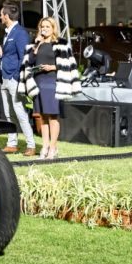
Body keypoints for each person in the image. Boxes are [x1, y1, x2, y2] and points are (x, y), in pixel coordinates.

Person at [21, 16, 81, 159]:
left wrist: (52, 66)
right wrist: (35, 48)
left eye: (48, 26)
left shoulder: (61, 44)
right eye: (42, 27)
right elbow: (28, 63)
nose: (44, 29)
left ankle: (53, 147)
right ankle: (45, 146)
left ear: (53, 28)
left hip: (53, 82)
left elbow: (69, 64)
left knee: (53, 116)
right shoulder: (34, 44)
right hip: (39, 82)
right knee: (42, 117)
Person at [0, 3, 36, 155]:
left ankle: (31, 145)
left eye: (1, 14)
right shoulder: (8, 32)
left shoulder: (20, 33)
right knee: (8, 113)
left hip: (13, 78)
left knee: (20, 112)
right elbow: (11, 55)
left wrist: (16, 77)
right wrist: (1, 55)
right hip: (5, 77)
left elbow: (24, 57)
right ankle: (12, 143)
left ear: (6, 16)